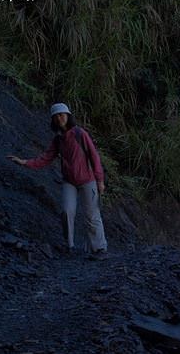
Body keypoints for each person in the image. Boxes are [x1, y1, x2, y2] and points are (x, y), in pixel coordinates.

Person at [7, 103, 108, 260]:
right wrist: (24, 162)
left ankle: (99, 249)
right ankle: (70, 246)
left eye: (62, 114)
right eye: (56, 116)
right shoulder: (58, 140)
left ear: (68, 116)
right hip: (69, 181)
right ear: (53, 120)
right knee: (67, 211)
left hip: (88, 180)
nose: (59, 118)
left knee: (91, 215)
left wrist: (100, 180)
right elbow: (45, 158)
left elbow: (94, 157)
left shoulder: (80, 134)